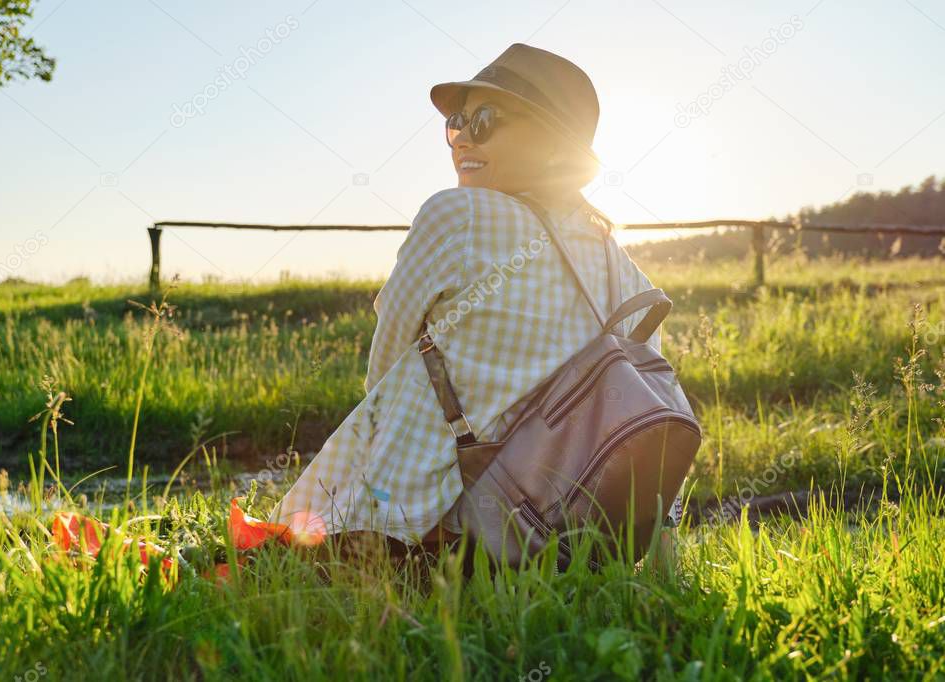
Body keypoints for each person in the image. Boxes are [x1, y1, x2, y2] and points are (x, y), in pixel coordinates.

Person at [269, 43, 682, 570]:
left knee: (270, 557)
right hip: (556, 526)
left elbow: (386, 368)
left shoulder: (455, 215)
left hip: (426, 521)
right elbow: (649, 392)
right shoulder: (620, 265)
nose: (462, 136)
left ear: (555, 144)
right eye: (458, 122)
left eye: (485, 119)